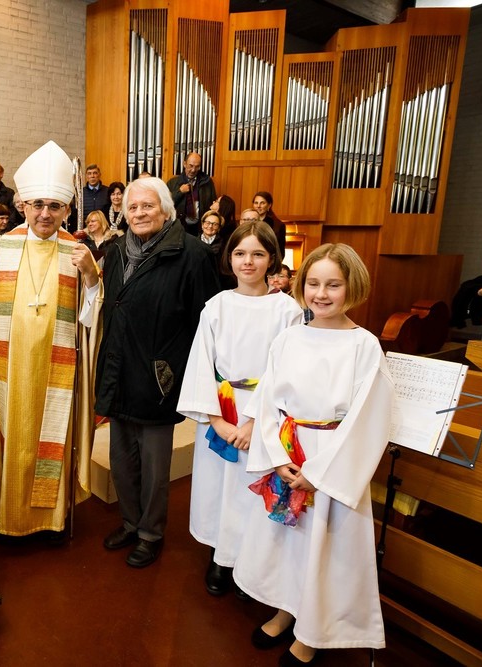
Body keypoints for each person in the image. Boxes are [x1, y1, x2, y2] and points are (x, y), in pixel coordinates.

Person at [234, 243, 395, 666]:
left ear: (352, 287)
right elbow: (267, 401)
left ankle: (313, 633)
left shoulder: (364, 346)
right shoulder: (289, 337)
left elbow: (368, 420)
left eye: (333, 285)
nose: (321, 294)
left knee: (325, 548)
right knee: (290, 543)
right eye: (313, 283)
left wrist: (319, 474)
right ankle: (287, 610)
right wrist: (275, 454)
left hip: (331, 457)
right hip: (289, 450)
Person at [0, 140, 101, 537]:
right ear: (23, 205)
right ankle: (9, 515)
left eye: (55, 206)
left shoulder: (77, 252)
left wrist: (92, 278)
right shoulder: (1, 248)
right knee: (12, 438)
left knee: (51, 438)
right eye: (38, 204)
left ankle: (50, 518)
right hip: (9, 370)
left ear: (67, 210)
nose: (45, 213)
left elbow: (92, 319)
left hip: (56, 372)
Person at [91, 176, 220, 568]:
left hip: (159, 376)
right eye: (132, 207)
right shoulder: (115, 251)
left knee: (154, 467)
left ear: (166, 210)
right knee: (122, 461)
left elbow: (205, 322)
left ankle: (150, 533)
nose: (139, 213)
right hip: (119, 369)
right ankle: (130, 523)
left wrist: (186, 373)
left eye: (147, 206)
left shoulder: (192, 254)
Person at [178, 222, 303, 597]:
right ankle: (221, 555)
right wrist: (216, 420)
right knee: (218, 485)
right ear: (228, 258)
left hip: (263, 414)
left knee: (251, 487)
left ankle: (251, 562)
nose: (248, 261)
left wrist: (252, 423)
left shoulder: (287, 310)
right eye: (240, 253)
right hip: (221, 406)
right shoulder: (216, 306)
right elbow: (202, 363)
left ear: (272, 259)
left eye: (258, 254)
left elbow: (285, 371)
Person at [167, 152, 216, 235]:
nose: (193, 170)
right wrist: (180, 192)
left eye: (197, 167)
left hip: (201, 227)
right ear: (184, 164)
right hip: (179, 227)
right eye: (191, 166)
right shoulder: (172, 183)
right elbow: (166, 205)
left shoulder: (207, 182)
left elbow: (213, 204)